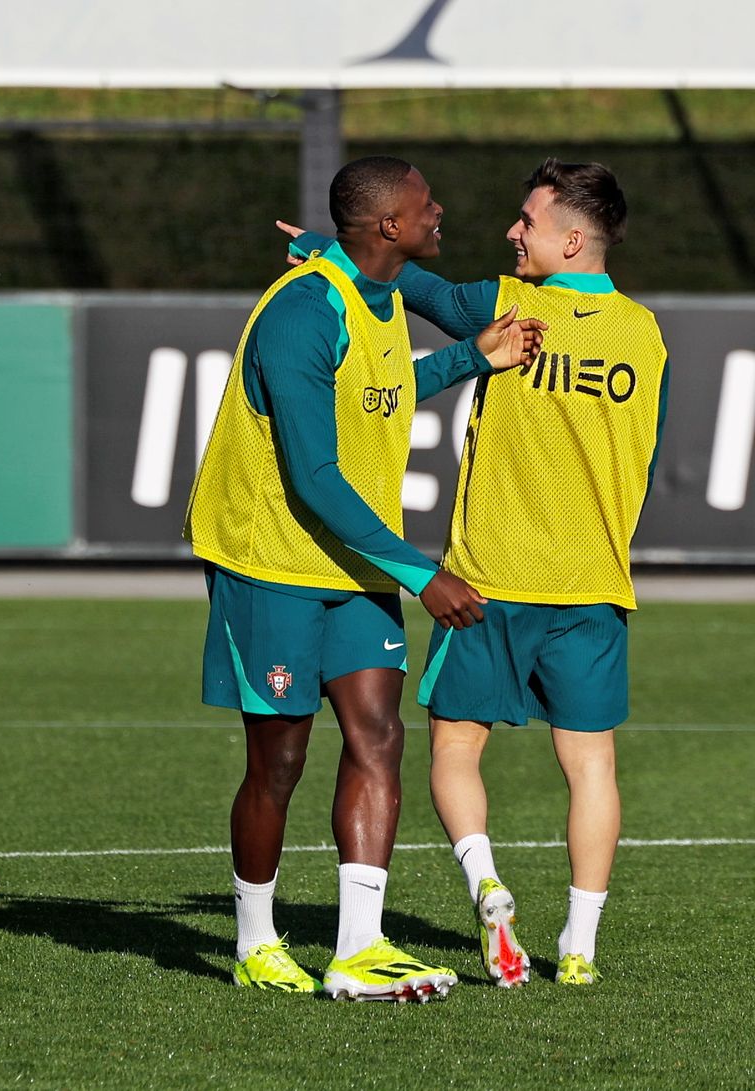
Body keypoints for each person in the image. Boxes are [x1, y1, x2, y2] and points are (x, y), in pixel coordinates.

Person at [283, 159, 667, 987]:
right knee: (592, 764)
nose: (511, 231)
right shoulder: (645, 333)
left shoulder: (507, 303)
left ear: (571, 237)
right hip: (593, 586)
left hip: (489, 579)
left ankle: (484, 881)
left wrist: (325, 248)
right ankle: (580, 945)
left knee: (455, 749)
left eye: (526, 220)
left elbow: (416, 289)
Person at [183, 156, 546, 999]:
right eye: (426, 206)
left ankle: (358, 945)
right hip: (269, 559)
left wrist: (469, 359)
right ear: (389, 226)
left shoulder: (378, 299)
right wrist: (423, 572)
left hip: (352, 561)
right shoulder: (303, 310)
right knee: (279, 758)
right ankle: (255, 940)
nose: (440, 211)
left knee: (379, 735)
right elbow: (314, 474)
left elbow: (377, 394)